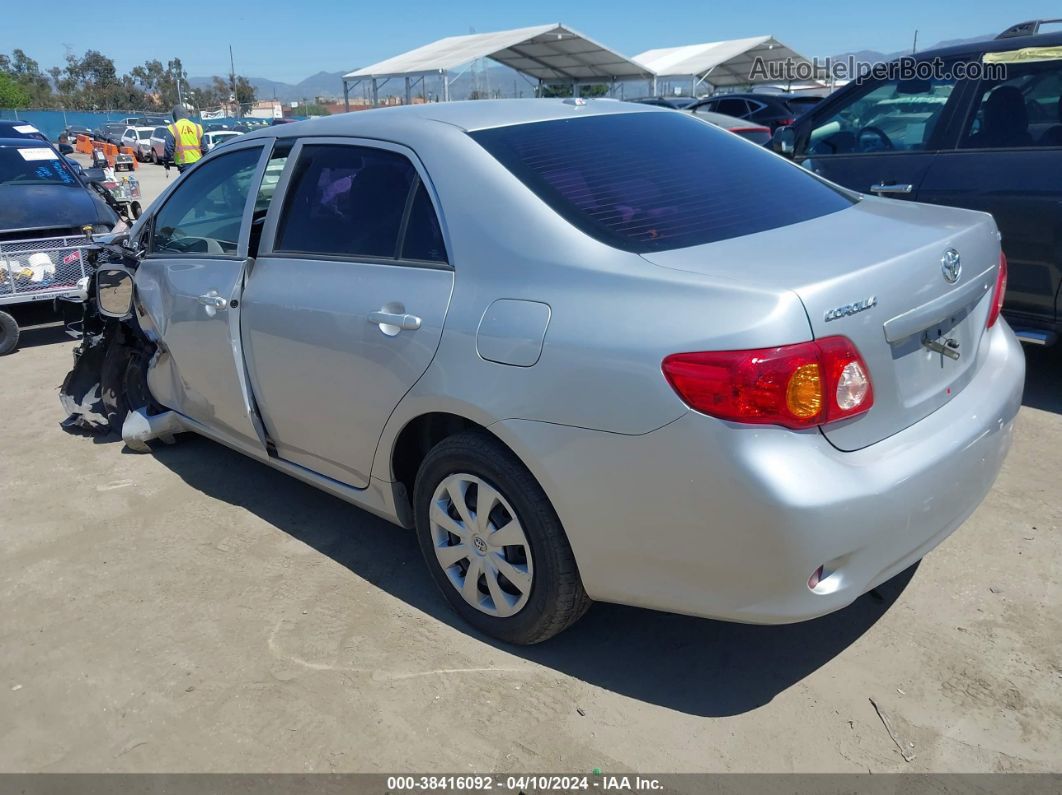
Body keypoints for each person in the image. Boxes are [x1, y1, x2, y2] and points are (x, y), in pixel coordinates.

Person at [164, 106, 204, 173]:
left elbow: (168, 149)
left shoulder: (172, 128)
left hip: (184, 164)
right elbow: (205, 148)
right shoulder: (197, 127)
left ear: (174, 116)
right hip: (198, 162)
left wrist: (166, 162)